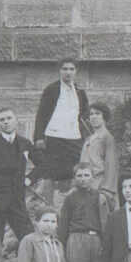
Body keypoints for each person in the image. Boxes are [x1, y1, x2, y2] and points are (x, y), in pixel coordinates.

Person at [57, 163, 112, 262]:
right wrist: (61, 248)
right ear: (75, 178)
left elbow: (107, 222)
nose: (83, 179)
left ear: (93, 177)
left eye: (86, 175)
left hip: (96, 240)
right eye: (79, 176)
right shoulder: (70, 198)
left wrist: (107, 245)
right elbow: (63, 226)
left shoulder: (101, 197)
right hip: (76, 240)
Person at [32, 58, 89, 205]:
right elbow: (41, 114)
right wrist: (39, 137)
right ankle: (48, 207)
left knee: (73, 172)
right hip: (54, 137)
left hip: (74, 137)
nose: (68, 72)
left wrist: (85, 136)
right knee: (50, 173)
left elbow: (84, 115)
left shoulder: (80, 91)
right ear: (59, 71)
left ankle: (71, 205)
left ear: (76, 71)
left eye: (71, 69)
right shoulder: (51, 89)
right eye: (65, 69)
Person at [0, 107, 35, 245]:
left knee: (28, 237)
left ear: (16, 121)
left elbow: (43, 165)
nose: (6, 122)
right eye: (2, 120)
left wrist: (30, 178)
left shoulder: (25, 143)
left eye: (9, 118)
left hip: (17, 198)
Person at [78, 102, 119, 203]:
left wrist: (107, 190)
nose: (94, 117)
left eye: (97, 113)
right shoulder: (89, 139)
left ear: (104, 117)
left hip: (100, 185)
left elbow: (111, 165)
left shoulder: (107, 138)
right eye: (91, 114)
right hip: (86, 184)